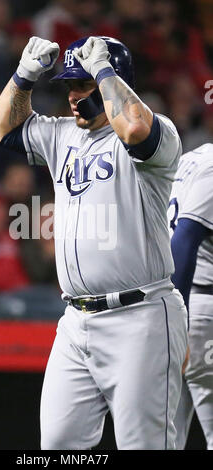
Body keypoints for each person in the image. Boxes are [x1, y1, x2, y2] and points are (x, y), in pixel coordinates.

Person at [0, 35, 188, 450]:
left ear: (114, 80)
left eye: (85, 86)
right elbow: (2, 128)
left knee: (145, 445)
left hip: (141, 316)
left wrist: (104, 72)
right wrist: (24, 75)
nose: (76, 96)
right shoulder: (62, 135)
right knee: (58, 445)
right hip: (76, 321)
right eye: (70, 87)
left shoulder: (158, 134)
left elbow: (135, 128)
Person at [169, 143, 213, 450]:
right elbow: (185, 238)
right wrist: (177, 318)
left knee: (164, 437)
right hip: (201, 311)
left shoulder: (189, 159)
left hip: (180, 302)